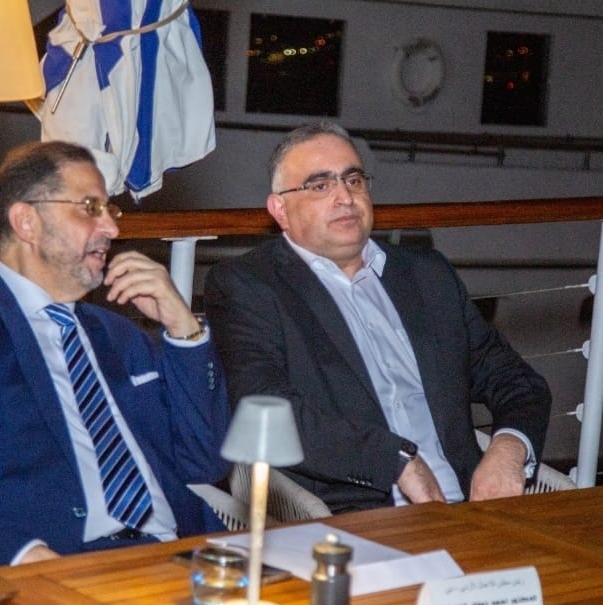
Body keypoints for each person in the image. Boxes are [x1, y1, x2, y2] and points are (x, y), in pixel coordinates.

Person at [0, 141, 230, 566]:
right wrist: (19, 551)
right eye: (90, 208)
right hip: (66, 564)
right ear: (27, 221)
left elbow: (203, 463)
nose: (112, 229)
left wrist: (183, 329)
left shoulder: (119, 334)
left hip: (186, 552)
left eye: (110, 211)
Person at [204, 122, 551, 513]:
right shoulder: (249, 285)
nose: (345, 197)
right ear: (280, 210)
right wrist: (395, 461)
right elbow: (267, 410)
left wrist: (509, 447)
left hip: (470, 504)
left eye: (353, 180)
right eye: (320, 186)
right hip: (356, 516)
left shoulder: (427, 275)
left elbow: (517, 381)